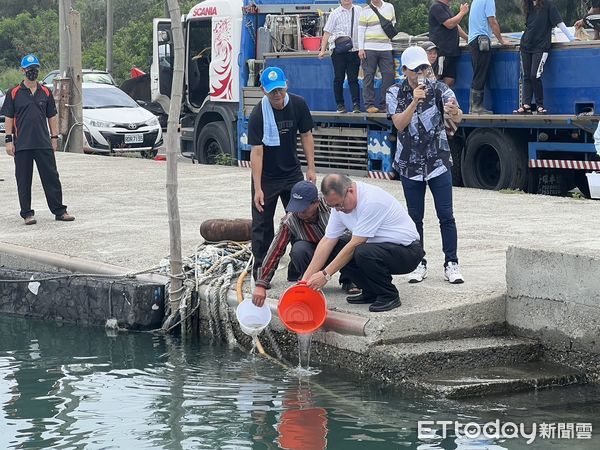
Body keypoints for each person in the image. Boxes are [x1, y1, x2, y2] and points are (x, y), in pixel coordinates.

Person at [386, 46, 464, 285]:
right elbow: (399, 124)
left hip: (437, 161)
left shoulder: (440, 89)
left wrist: (455, 112)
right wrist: (413, 101)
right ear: (405, 70)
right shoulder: (394, 92)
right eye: (415, 68)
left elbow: (457, 120)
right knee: (414, 217)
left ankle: (451, 263)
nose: (421, 72)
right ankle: (418, 262)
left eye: (424, 67)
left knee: (446, 215)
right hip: (409, 163)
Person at [303, 174, 424, 313]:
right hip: (378, 248)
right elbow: (327, 240)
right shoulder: (339, 205)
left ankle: (388, 295)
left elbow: (356, 243)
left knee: (362, 252)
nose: (337, 209)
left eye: (339, 204)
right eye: (333, 206)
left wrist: (325, 275)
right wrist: (305, 281)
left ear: (350, 191)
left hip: (407, 252)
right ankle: (371, 291)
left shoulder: (372, 201)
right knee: (337, 246)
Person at [248, 67, 316, 280]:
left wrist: (311, 167)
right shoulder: (258, 114)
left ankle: (297, 269)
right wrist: (258, 188)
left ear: (286, 85)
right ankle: (261, 270)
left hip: (292, 172)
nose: (277, 95)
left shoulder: (298, 104)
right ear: (263, 90)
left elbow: (306, 135)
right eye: (272, 92)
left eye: (280, 89)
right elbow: (257, 152)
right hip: (267, 176)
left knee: (300, 218)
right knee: (262, 225)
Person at [252, 180, 359, 307]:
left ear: (316, 203)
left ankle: (349, 279)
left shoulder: (332, 204)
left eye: (303, 208)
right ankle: (308, 281)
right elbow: (275, 250)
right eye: (296, 208)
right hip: (314, 254)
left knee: (347, 241)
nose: (299, 213)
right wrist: (261, 284)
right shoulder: (290, 220)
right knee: (298, 249)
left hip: (339, 248)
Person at [1, 54, 74, 225]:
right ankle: (27, 213)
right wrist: (9, 141)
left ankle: (59, 211)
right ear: (23, 70)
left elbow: (52, 116)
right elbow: (9, 118)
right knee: (23, 180)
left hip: (43, 143)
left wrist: (54, 138)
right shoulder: (14, 93)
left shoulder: (45, 92)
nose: (32, 71)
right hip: (22, 144)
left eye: (35, 68)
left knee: (51, 177)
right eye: (29, 69)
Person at [514, 0, 575, 115]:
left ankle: (539, 105)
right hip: (526, 45)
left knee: (535, 75)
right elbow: (529, 26)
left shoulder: (548, 5)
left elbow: (559, 22)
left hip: (541, 46)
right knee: (526, 76)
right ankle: (526, 104)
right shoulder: (529, 6)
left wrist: (571, 38)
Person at [319, 0, 362, 113]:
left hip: (354, 50)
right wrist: (322, 50)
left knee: (353, 79)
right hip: (338, 52)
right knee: (339, 78)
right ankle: (340, 105)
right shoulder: (335, 13)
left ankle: (356, 105)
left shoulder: (359, 10)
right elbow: (327, 32)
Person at [467, 0, 507, 114]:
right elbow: (492, 21)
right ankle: (476, 107)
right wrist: (501, 40)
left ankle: (474, 106)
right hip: (482, 41)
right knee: (481, 73)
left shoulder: (476, 1)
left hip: (473, 40)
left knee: (478, 73)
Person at [357, 0, 396, 113]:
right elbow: (361, 30)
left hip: (386, 47)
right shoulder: (365, 10)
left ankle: (386, 104)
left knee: (389, 75)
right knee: (369, 76)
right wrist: (361, 48)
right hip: (369, 48)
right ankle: (369, 105)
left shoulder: (390, 7)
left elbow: (392, 24)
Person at [428, 0, 469, 87]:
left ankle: (443, 97)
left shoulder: (447, 8)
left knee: (450, 79)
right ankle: (430, 97)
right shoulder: (437, 7)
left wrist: (467, 38)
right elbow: (449, 24)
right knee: (436, 76)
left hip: (451, 51)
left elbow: (455, 25)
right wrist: (462, 13)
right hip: (442, 50)